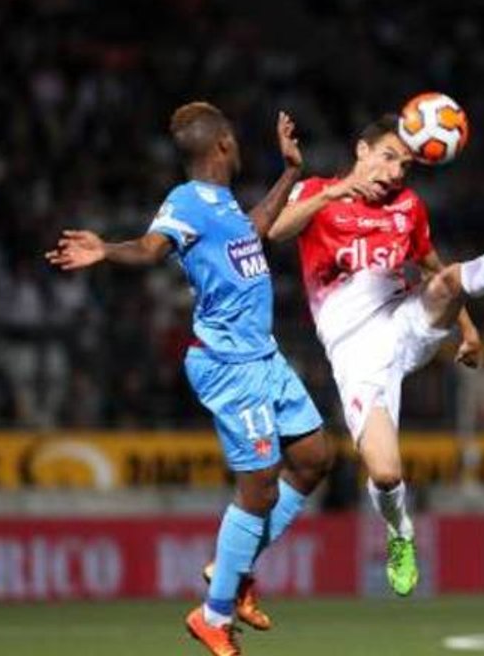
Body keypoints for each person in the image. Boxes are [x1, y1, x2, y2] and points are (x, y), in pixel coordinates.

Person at [46, 103, 329, 656]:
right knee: (261, 483)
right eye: (235, 137)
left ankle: (232, 568)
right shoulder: (184, 202)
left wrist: (291, 172)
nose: (241, 143)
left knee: (317, 458)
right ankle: (214, 614)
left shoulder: (223, 206)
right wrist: (107, 249)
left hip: (263, 356)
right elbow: (152, 249)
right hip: (228, 364)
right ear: (222, 144)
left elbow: (255, 232)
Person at [268, 113, 484, 595]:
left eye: (405, 165)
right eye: (388, 158)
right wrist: (329, 195)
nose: (396, 172)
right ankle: (401, 531)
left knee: (446, 281)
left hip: (404, 322)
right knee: (384, 472)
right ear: (362, 151)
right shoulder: (318, 192)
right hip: (357, 354)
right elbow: (275, 230)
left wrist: (467, 328)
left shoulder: (408, 207)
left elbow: (432, 265)